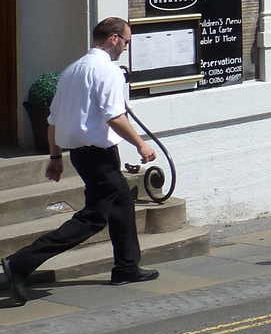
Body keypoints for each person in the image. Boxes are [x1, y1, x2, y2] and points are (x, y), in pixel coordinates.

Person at [2, 18, 160, 305]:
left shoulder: (71, 71)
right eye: (126, 41)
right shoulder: (107, 71)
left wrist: (55, 157)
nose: (125, 48)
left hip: (81, 154)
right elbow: (114, 115)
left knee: (122, 203)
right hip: (99, 155)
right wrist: (141, 145)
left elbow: (53, 120)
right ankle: (20, 262)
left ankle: (126, 267)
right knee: (93, 219)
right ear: (113, 39)